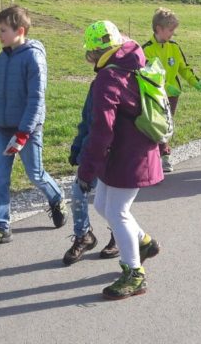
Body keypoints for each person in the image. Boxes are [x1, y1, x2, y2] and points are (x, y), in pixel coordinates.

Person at [76, 20, 162, 300]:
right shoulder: (128, 60)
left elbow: (102, 131)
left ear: (94, 52)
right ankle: (144, 243)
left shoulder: (108, 78)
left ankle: (134, 274)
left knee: (117, 212)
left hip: (130, 156)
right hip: (126, 152)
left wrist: (86, 172)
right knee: (103, 205)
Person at [0, 5, 67, 249]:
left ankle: (56, 198)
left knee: (35, 174)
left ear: (20, 30)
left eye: (3, 30)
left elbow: (37, 99)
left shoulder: (33, 57)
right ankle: (0, 226)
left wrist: (24, 133)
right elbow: (0, 95)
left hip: (28, 128)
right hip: (5, 128)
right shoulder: (1, 59)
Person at [62, 76, 119, 265]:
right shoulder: (97, 83)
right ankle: (84, 235)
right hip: (92, 152)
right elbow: (86, 120)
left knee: (113, 204)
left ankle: (119, 236)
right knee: (78, 192)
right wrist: (77, 146)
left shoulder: (124, 80)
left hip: (115, 154)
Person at [142, 7, 201, 173]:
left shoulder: (175, 47)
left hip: (172, 96)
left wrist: (195, 82)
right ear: (158, 29)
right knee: (155, 126)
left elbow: (184, 69)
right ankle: (155, 156)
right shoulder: (146, 49)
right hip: (154, 96)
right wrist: (163, 86)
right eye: (170, 30)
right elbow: (145, 74)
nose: (172, 34)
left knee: (166, 126)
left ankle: (163, 156)